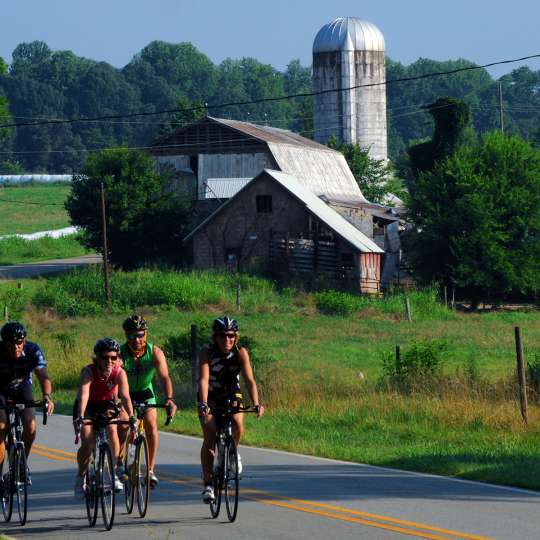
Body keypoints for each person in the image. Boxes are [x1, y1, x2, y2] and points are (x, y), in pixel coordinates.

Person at [198, 316, 264, 504]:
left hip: (231, 393)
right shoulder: (207, 352)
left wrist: (256, 403)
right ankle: (208, 483)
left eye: (231, 336)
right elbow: (203, 380)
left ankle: (233, 452)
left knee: (237, 423)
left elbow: (249, 380)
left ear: (236, 336)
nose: (227, 340)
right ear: (215, 337)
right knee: (210, 432)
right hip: (210, 394)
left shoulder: (240, 352)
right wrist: (203, 403)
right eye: (222, 336)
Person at [119, 314, 177, 488]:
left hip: (145, 392)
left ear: (146, 334)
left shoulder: (155, 352)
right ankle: (119, 464)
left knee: (151, 423)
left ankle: (150, 470)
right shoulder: (120, 353)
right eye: (132, 335)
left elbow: (165, 377)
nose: (137, 339)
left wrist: (169, 399)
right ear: (126, 336)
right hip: (126, 393)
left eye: (140, 334)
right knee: (123, 425)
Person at [73, 338, 135, 496]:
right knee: (87, 442)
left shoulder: (119, 372)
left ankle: (113, 473)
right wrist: (80, 416)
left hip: (107, 404)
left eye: (113, 358)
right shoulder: (88, 371)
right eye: (105, 357)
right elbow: (84, 395)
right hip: (87, 406)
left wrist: (132, 416)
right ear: (97, 358)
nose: (109, 361)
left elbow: (125, 396)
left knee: (112, 429)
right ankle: (81, 477)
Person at [0, 321, 54, 487]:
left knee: (30, 425)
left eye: (19, 343)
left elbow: (43, 376)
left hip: (22, 388)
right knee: (1, 426)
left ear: (24, 341)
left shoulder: (33, 350)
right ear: (4, 343)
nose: (16, 347)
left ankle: (21, 464)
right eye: (11, 344)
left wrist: (47, 396)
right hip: (0, 390)